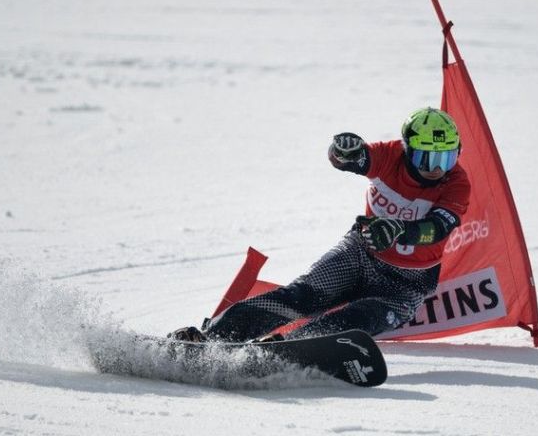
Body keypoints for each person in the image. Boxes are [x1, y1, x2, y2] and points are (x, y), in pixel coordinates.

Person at [170, 107, 471, 343]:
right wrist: (341, 151)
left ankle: (282, 347)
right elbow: (348, 160)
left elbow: (438, 228)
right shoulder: (389, 155)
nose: (435, 169)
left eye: (445, 159)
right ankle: (210, 337)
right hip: (359, 255)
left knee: (358, 320)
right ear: (406, 150)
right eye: (424, 158)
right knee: (299, 297)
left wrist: (400, 230)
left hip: (406, 284)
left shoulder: (458, 183)